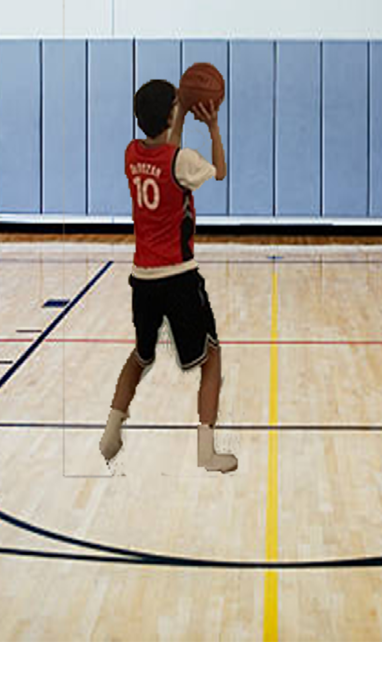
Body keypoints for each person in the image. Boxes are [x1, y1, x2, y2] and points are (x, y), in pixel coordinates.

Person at [99, 78, 237, 473]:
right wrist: (212, 127)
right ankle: (206, 451)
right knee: (211, 356)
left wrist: (177, 110)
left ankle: (111, 433)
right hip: (178, 277)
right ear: (171, 114)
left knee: (140, 356)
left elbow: (165, 150)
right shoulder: (184, 161)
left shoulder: (131, 154)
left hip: (142, 279)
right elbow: (220, 171)